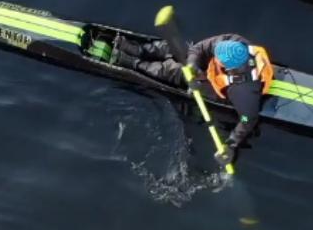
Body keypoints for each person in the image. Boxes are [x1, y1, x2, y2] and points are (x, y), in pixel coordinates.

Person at [111, 33, 273, 164]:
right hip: (209, 69)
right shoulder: (232, 41)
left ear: (230, 69)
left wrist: (231, 143)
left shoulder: (244, 92)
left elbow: (248, 119)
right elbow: (201, 47)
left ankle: (134, 63)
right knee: (177, 48)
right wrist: (192, 65)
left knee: (173, 70)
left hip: (215, 88)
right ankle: (139, 49)